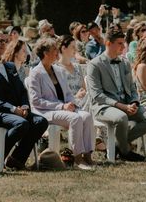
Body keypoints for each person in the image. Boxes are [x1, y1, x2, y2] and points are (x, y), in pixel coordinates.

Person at [0, 31, 48, 170]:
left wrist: (25, 105)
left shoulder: (10, 66)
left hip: (16, 111)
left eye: (5, 41)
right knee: (21, 124)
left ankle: (16, 159)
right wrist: (13, 109)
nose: (4, 44)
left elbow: (21, 90)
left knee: (41, 122)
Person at [86, 27, 146, 161]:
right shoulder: (94, 65)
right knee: (121, 117)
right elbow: (97, 95)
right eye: (119, 43)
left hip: (126, 104)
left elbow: (131, 87)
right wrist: (122, 106)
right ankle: (125, 151)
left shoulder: (124, 62)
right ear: (108, 43)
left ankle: (118, 145)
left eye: (123, 43)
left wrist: (134, 102)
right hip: (103, 106)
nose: (123, 46)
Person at [28, 39, 95, 170]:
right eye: (54, 51)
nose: (57, 53)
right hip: (44, 111)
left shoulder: (59, 71)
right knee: (75, 118)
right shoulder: (35, 73)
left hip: (63, 108)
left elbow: (68, 93)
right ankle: (77, 158)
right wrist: (61, 106)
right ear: (46, 53)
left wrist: (72, 103)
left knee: (86, 116)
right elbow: (35, 101)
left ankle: (88, 155)